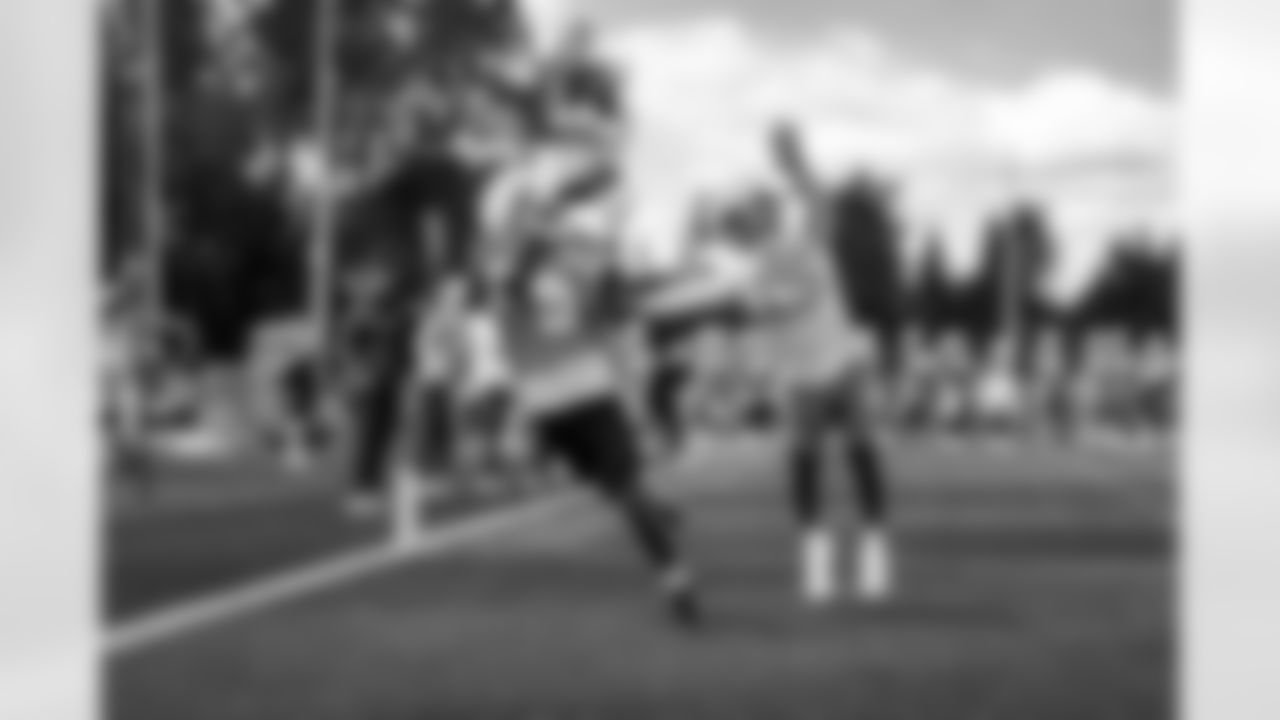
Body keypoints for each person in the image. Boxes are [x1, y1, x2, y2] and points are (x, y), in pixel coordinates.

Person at [750, 122, 895, 606]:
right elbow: (768, 312)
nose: (764, 218)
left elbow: (820, 203)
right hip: (800, 378)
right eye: (756, 214)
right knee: (805, 461)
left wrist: (796, 162)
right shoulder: (755, 277)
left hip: (843, 362)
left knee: (861, 450)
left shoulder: (811, 243)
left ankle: (875, 548)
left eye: (767, 210)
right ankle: (816, 556)